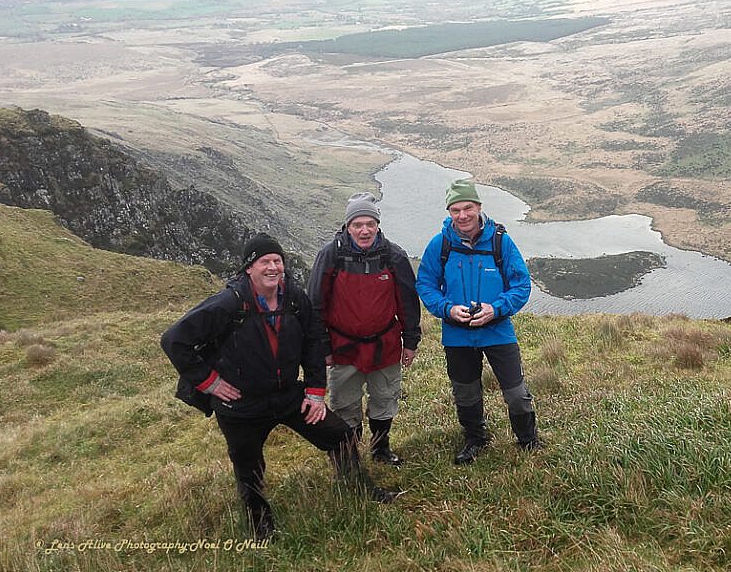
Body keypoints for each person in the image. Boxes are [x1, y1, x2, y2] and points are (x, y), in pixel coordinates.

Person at [161, 233, 396, 541]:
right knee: (248, 466)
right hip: (241, 405)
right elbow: (174, 340)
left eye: (277, 261)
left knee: (341, 436)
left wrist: (314, 392)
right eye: (264, 262)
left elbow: (313, 342)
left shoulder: (295, 299)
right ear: (249, 268)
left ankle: (356, 489)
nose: (272, 267)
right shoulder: (228, 303)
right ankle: (260, 524)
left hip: (288, 396)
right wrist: (210, 382)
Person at [415, 179, 541, 464]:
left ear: (479, 207)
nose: (462, 216)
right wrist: (447, 309)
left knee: (516, 393)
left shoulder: (500, 242)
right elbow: (425, 284)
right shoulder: (441, 244)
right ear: (449, 212)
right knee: (465, 392)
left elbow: (521, 285)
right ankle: (475, 438)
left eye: (468, 208)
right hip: (457, 335)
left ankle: (528, 441)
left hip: (498, 330)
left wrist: (495, 310)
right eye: (455, 210)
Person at [308, 192, 421, 466]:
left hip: (385, 344)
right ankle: (349, 454)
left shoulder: (393, 256)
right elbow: (315, 304)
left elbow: (407, 301)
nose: (364, 230)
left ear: (378, 225)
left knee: (384, 397)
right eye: (357, 224)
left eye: (370, 223)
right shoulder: (331, 255)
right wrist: (322, 346)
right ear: (348, 226)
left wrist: (411, 341)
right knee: (345, 404)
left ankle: (380, 450)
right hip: (343, 346)